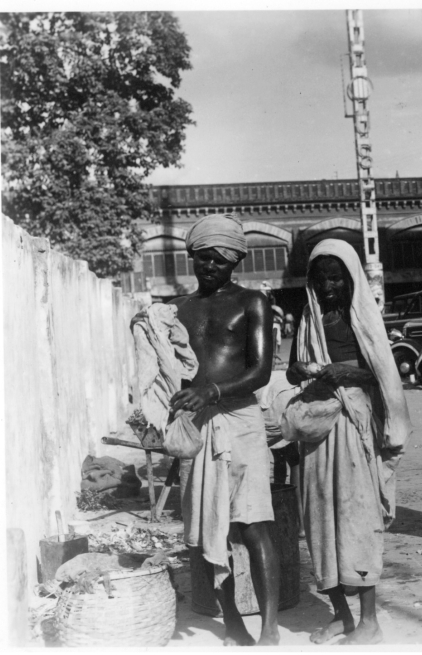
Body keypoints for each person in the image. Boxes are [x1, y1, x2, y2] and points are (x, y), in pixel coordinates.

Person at [161, 212, 280, 646]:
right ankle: (233, 623)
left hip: (240, 420)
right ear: (192, 257)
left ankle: (269, 630)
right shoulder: (176, 310)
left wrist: (212, 392)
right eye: (202, 259)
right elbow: (168, 374)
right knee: (210, 528)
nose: (209, 267)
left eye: (219, 260)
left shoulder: (253, 302)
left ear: (235, 261)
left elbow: (261, 371)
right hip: (194, 426)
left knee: (253, 524)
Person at [287, 239, 411, 645]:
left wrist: (346, 373)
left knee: (358, 517)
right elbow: (292, 371)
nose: (328, 286)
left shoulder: (364, 317)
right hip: (316, 430)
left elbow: (383, 374)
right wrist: (306, 369)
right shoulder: (308, 316)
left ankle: (370, 622)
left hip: (354, 425)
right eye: (321, 279)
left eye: (336, 278)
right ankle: (341, 615)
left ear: (350, 277)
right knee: (319, 518)